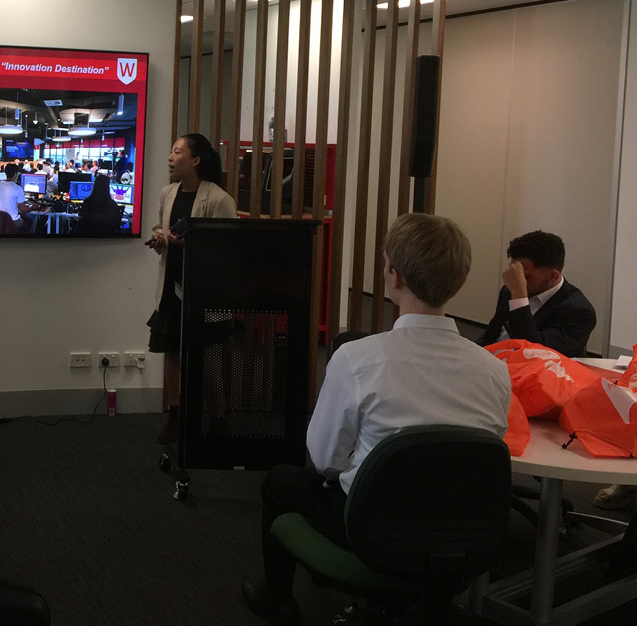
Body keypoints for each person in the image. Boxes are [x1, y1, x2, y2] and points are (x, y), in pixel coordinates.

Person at [241, 214, 511, 625]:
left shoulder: (357, 360)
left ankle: (277, 599)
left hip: (370, 530)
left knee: (281, 480)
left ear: (393, 275)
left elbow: (325, 459)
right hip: (461, 540)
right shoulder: (493, 370)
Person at [147, 133, 237, 443]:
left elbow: (228, 249)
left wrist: (190, 244)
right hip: (172, 284)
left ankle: (219, 420)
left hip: (203, 289)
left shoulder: (219, 199)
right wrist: (161, 238)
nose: (170, 158)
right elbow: (161, 226)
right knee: (172, 352)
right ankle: (176, 415)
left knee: (209, 356)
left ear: (195, 160)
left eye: (177, 152)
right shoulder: (167, 193)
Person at [476, 230, 596, 358]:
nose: (517, 280)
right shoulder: (509, 290)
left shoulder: (579, 311)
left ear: (553, 276)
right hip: (493, 360)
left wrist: (519, 298)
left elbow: (535, 352)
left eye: (526, 276)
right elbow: (493, 332)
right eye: (515, 272)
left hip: (533, 370)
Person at [0, 164, 26, 229]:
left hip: (0, 221)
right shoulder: (18, 188)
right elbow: (23, 209)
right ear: (15, 174)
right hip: (13, 222)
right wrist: (33, 207)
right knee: (31, 220)